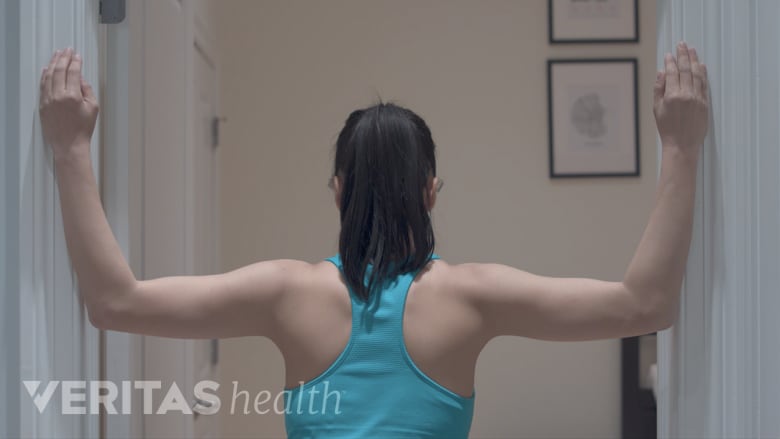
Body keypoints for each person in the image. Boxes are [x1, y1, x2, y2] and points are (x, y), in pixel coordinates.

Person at [39, 41, 709, 438]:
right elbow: (643, 303)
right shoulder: (474, 297)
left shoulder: (284, 291)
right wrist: (680, 148)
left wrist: (71, 149)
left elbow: (113, 301)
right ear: (431, 190)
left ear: (338, 189)